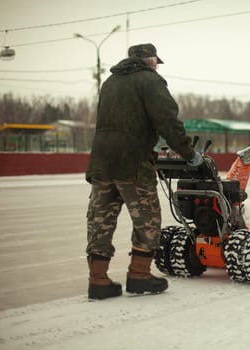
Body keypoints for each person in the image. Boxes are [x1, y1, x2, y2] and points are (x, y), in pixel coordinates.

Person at [85, 43, 203, 300]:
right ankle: (139, 276)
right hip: (133, 163)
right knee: (147, 220)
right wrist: (189, 154)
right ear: (149, 61)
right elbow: (168, 121)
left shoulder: (110, 82)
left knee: (100, 222)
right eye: (156, 62)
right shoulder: (151, 81)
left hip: (102, 162)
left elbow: (118, 122)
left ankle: (98, 280)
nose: (156, 65)